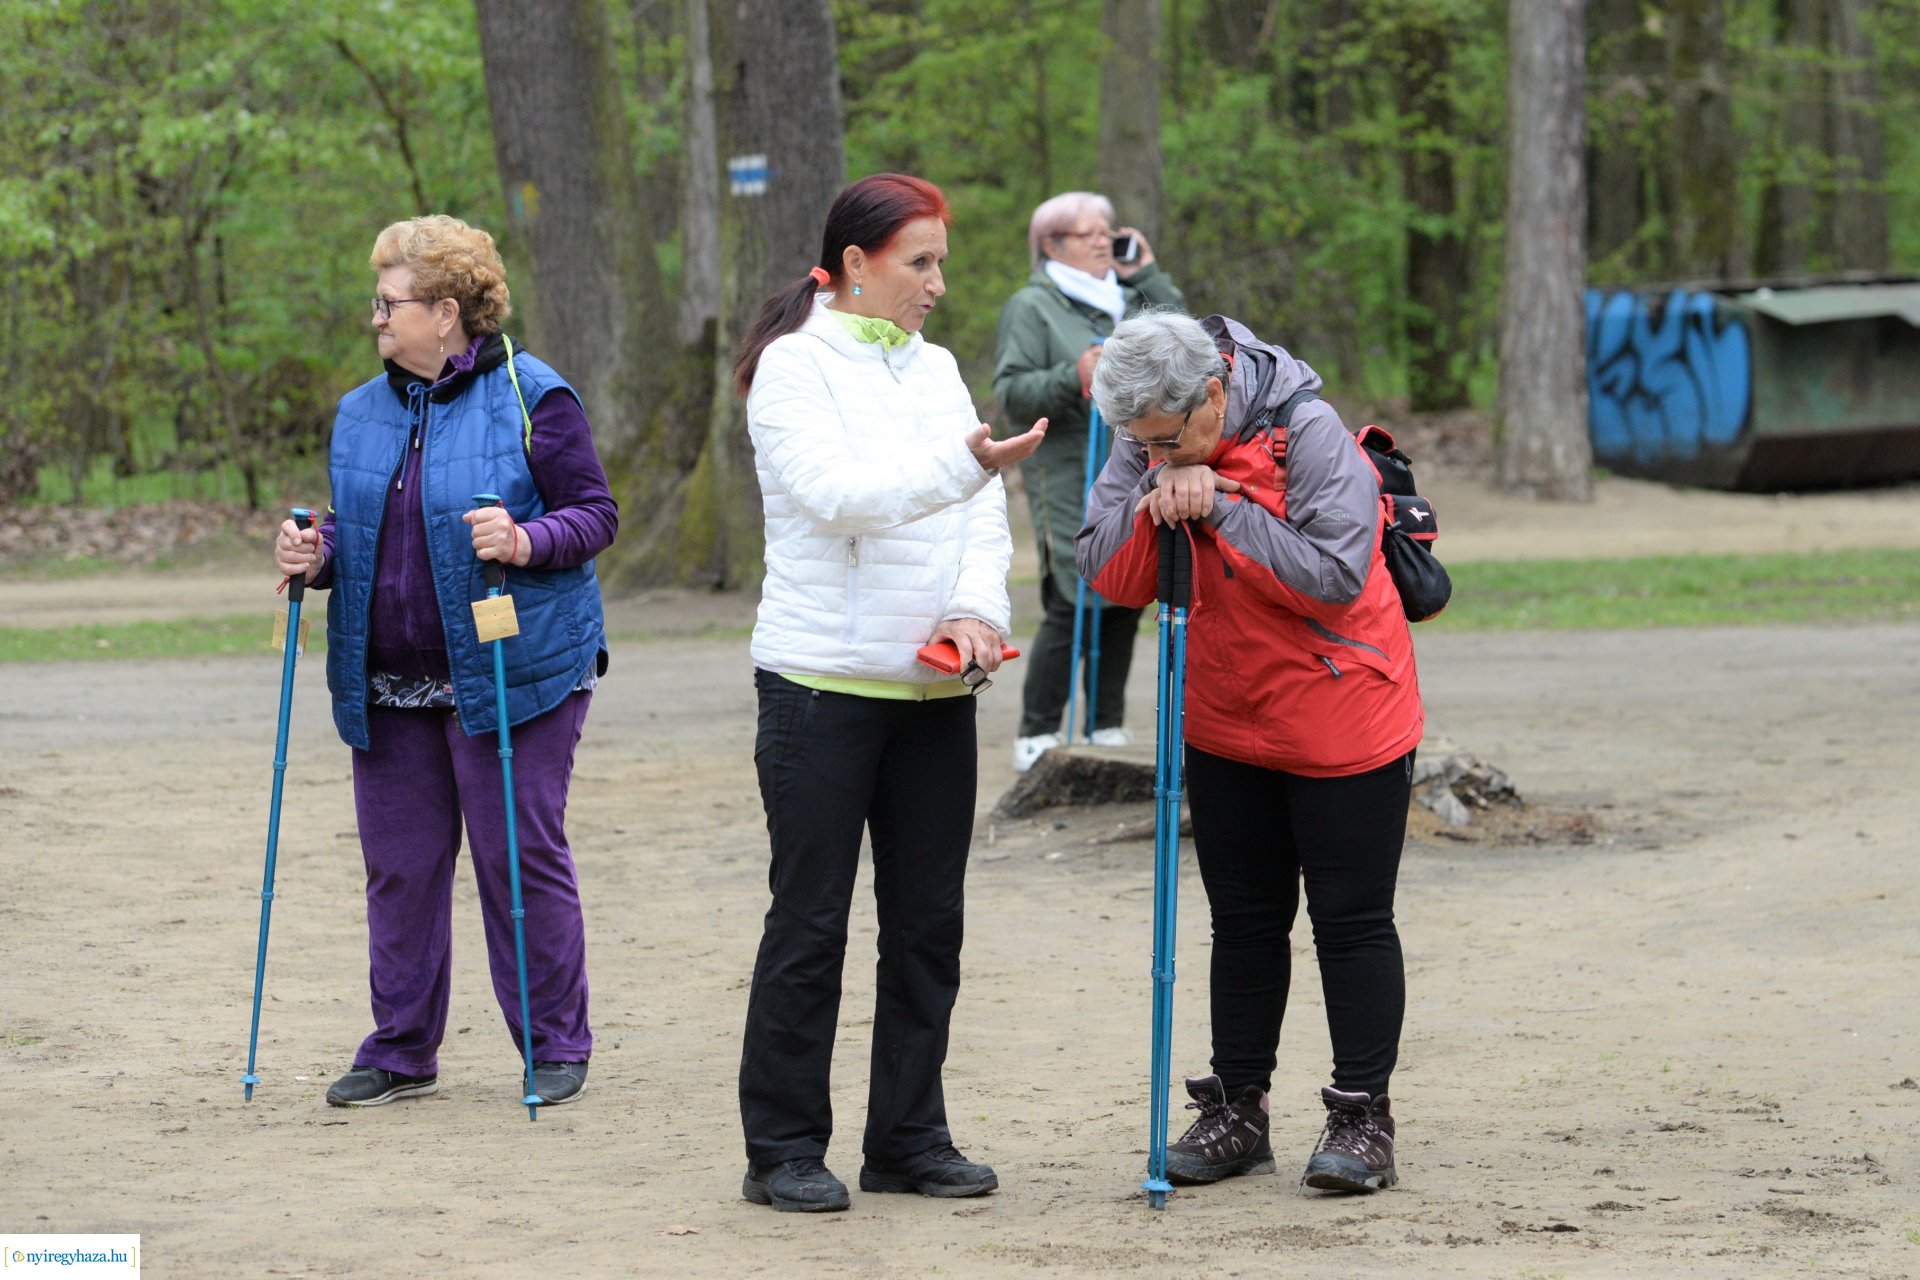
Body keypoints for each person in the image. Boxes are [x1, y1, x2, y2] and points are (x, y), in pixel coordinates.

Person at [732, 174, 1049, 1213]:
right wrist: (963, 471)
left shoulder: (940, 369)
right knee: (810, 922)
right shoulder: (791, 368)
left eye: (942, 262)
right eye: (920, 262)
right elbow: (839, 500)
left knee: (927, 924)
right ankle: (781, 1145)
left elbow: (978, 519)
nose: (938, 284)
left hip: (931, 694)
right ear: (857, 264)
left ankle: (908, 1135)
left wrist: (970, 611)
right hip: (819, 690)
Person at [272, 214, 617, 1111]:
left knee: (516, 857)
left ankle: (553, 1046)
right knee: (400, 866)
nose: (375, 319)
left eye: (389, 302)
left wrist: (525, 536)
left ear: (448, 310)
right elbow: (364, 533)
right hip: (388, 682)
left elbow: (594, 515)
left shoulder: (535, 394)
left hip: (515, 673)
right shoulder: (359, 411)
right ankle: (400, 1050)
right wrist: (318, 554)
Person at [1076, 310, 1422, 1193]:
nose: (1155, 454)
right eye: (1139, 444)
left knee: (1350, 921)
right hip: (1223, 716)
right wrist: (1155, 508)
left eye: (1169, 438)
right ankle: (1237, 1109)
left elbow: (1337, 575)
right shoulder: (1147, 435)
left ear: (1215, 394)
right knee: (1244, 920)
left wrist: (1225, 507)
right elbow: (1105, 574)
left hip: (1343, 707)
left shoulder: (1307, 431)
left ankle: (1361, 1118)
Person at [992, 192, 1185, 772]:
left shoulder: (1126, 299)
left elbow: (1185, 337)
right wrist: (1070, 375)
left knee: (1125, 592)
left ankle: (1105, 723)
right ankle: (1039, 731)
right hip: (1067, 470)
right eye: (1087, 233)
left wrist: (1146, 271)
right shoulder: (1032, 307)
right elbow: (1012, 390)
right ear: (1052, 245)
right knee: (1072, 597)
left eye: (1108, 230)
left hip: (1131, 467)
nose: (1103, 240)